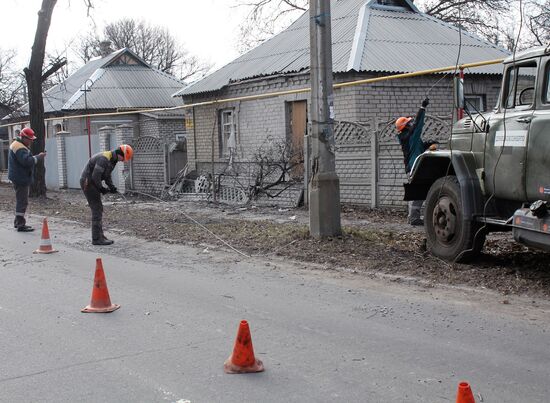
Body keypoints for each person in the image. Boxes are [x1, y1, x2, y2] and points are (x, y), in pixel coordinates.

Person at [80, 144, 133, 245]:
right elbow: (96, 176)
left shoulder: (113, 160)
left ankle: (99, 235)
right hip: (88, 182)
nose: (123, 160)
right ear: (119, 153)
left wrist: (112, 187)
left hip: (92, 182)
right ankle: (96, 239)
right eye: (123, 158)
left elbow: (107, 175)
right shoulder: (104, 159)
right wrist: (102, 189)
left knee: (98, 208)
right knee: (97, 209)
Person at [396, 97, 437, 226]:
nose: (412, 123)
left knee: (414, 192)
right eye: (409, 122)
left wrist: (427, 145)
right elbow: (419, 124)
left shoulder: (408, 138)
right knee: (418, 192)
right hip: (415, 166)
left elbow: (417, 148)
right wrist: (423, 107)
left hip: (412, 166)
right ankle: (414, 218)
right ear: (406, 126)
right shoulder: (410, 135)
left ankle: (412, 217)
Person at [8, 127, 47, 232]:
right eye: (30, 139)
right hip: (20, 178)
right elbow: (27, 162)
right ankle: (20, 224)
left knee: (21, 200)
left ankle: (18, 222)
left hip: (18, 177)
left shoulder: (17, 145)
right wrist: (38, 157)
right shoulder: (20, 148)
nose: (31, 141)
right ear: (24, 137)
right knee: (22, 201)